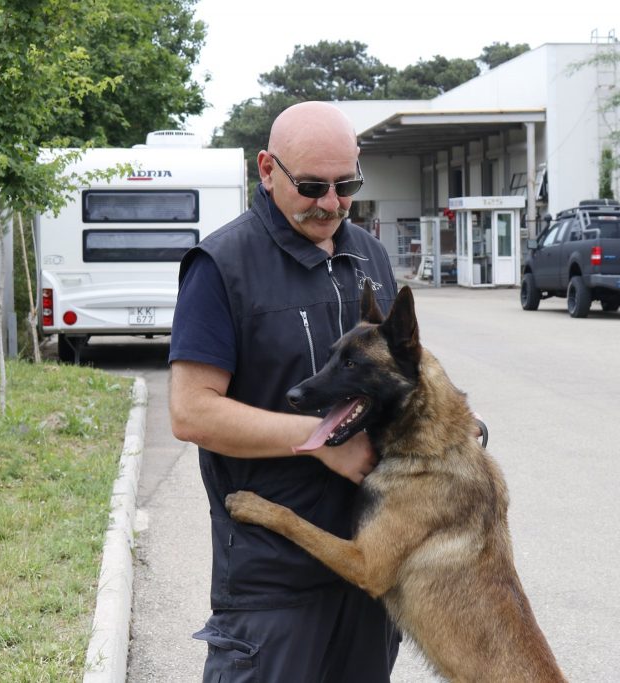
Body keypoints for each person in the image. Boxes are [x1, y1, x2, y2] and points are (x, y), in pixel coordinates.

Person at [168, 101, 401, 682]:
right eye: (312, 186)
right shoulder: (221, 265)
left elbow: (399, 374)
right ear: (267, 168)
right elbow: (191, 412)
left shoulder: (368, 254)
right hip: (273, 584)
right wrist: (322, 440)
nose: (330, 203)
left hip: (372, 567)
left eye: (345, 184)